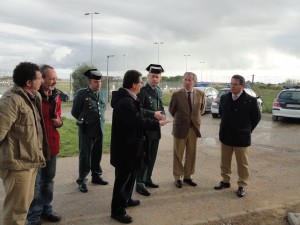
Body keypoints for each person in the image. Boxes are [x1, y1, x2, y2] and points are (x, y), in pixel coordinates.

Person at [110, 70, 170, 224]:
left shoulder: (129, 98)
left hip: (132, 146)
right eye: (141, 82)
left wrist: (153, 114)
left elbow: (139, 111)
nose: (142, 84)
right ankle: (117, 211)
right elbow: (137, 121)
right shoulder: (124, 102)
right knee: (122, 180)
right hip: (125, 149)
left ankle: (127, 199)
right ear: (134, 84)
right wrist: (157, 123)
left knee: (130, 176)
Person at [0, 62, 48, 225]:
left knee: (23, 208)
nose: (42, 81)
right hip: (16, 166)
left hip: (30, 162)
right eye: (40, 78)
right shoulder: (11, 101)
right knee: (15, 212)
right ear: (29, 82)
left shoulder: (33, 97)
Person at [214, 74, 261, 197]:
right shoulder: (224, 98)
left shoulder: (251, 100)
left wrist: (247, 130)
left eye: (235, 84)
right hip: (226, 136)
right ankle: (225, 181)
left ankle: (242, 185)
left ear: (242, 86)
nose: (232, 86)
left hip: (241, 137)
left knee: (242, 164)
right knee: (224, 162)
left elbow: (256, 118)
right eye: (231, 83)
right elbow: (221, 113)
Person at [27, 65, 63, 225]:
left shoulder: (56, 96)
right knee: (34, 183)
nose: (54, 81)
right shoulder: (32, 97)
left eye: (55, 78)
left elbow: (59, 117)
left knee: (48, 180)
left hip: (52, 145)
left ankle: (47, 209)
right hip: (35, 147)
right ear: (41, 79)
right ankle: (33, 216)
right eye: (51, 78)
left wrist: (59, 122)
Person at [71, 69, 108, 193]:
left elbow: (102, 110)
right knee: (85, 156)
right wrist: (84, 120)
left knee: (97, 154)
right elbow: (74, 111)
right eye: (96, 82)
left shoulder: (102, 93)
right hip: (86, 130)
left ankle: (96, 176)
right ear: (89, 82)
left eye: (100, 82)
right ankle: (82, 180)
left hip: (99, 129)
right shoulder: (82, 93)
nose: (99, 84)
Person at [169, 72, 206, 188]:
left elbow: (202, 109)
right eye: (185, 80)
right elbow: (171, 110)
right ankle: (177, 177)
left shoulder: (201, 94)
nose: (187, 82)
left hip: (194, 129)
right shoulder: (176, 94)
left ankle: (188, 176)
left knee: (191, 153)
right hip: (180, 128)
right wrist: (182, 119)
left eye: (190, 80)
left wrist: (193, 118)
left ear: (194, 82)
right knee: (178, 153)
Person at [135, 64, 166, 196]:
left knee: (152, 157)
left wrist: (163, 115)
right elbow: (138, 110)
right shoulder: (142, 91)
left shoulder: (158, 91)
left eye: (157, 77)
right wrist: (154, 114)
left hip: (156, 129)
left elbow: (161, 107)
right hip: (145, 130)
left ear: (160, 78)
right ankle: (140, 183)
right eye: (152, 76)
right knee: (144, 157)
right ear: (148, 76)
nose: (154, 79)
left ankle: (148, 179)